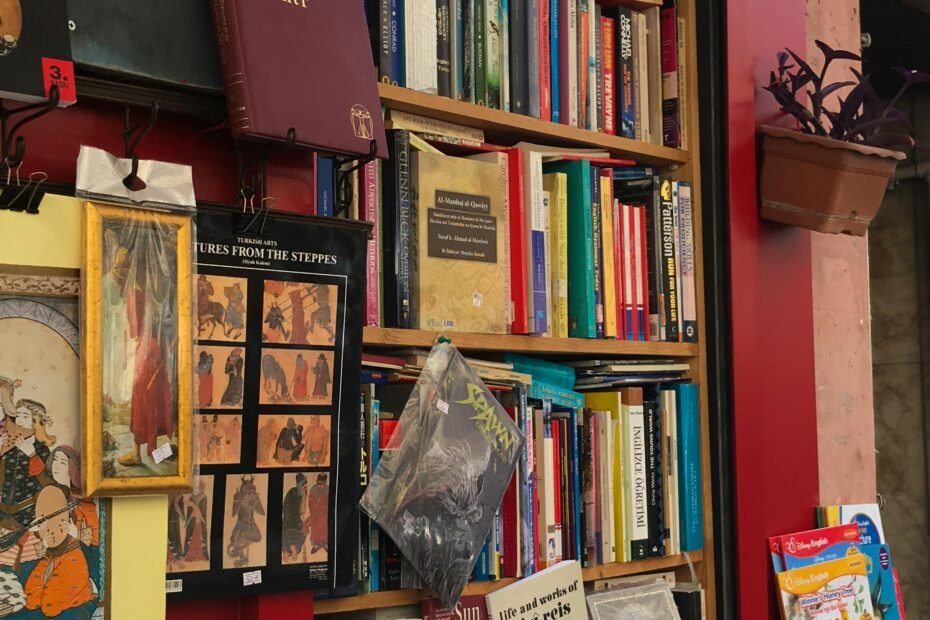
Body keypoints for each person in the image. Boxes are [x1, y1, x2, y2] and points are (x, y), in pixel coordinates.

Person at [117, 240, 175, 469]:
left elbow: (133, 329)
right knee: (153, 399)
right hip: (154, 348)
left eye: (123, 265)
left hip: (143, 350)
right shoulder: (152, 290)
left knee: (143, 401)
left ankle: (142, 452)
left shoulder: (134, 291)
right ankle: (152, 449)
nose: (119, 270)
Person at [24, 485, 96, 617]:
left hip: (72, 559)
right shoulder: (40, 526)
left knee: (51, 604)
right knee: (31, 598)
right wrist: (41, 539)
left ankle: (86, 590)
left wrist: (77, 534)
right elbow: (41, 548)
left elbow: (94, 540)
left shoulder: (77, 515)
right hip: (50, 559)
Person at [0, 400, 52, 530]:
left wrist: (32, 455)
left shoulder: (42, 450)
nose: (20, 420)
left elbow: (48, 483)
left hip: (29, 514)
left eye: (25, 416)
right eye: (18, 416)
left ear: (35, 421)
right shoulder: (8, 447)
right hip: (3, 513)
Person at [228, 475, 264, 568]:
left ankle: (243, 538)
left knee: (258, 537)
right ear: (243, 488)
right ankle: (242, 557)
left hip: (250, 524)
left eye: (250, 488)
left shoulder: (254, 497)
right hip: (240, 524)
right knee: (233, 541)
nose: (249, 490)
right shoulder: (239, 496)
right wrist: (238, 501)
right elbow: (234, 512)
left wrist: (255, 503)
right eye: (247, 488)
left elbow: (262, 512)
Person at [281, 473, 308, 562]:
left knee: (305, 531)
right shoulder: (292, 492)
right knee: (295, 533)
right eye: (303, 485)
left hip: (295, 521)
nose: (305, 487)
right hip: (289, 520)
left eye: (305, 485)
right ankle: (292, 547)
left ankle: (287, 550)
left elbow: (302, 511)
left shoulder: (303, 493)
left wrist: (304, 496)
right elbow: (287, 509)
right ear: (299, 484)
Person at [183, 479, 210, 564]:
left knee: (199, 538)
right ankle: (190, 555)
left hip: (199, 521)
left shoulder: (203, 497)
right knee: (191, 537)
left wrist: (194, 506)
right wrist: (189, 519)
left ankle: (201, 555)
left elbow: (203, 510)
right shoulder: (192, 497)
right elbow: (190, 511)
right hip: (193, 521)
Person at [306, 474, 329, 555]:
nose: (321, 484)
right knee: (315, 530)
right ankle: (316, 544)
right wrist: (313, 512)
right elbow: (310, 501)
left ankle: (325, 544)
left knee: (325, 529)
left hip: (325, 513)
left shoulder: (328, 489)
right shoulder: (313, 489)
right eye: (319, 482)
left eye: (323, 482)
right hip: (316, 513)